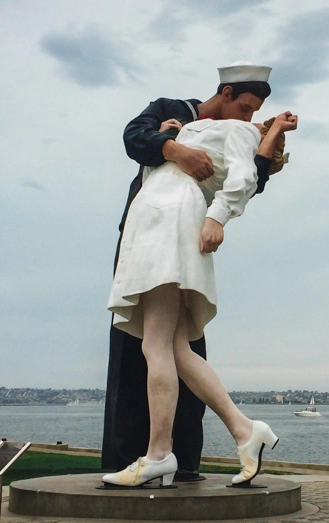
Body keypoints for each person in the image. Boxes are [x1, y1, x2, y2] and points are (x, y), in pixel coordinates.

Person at [102, 67, 297, 488]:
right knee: (175, 347)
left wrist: (216, 217)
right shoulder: (186, 120)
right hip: (157, 219)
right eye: (245, 108)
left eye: (254, 116)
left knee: (156, 344)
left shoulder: (236, 132)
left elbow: (249, 177)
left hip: (166, 218)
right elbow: (137, 137)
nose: (247, 118)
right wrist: (173, 138)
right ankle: (245, 431)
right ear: (226, 93)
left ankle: (158, 454)